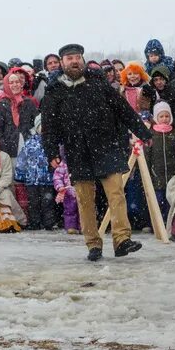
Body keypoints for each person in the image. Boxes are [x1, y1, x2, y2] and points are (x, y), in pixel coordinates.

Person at [40, 44, 150, 262]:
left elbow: (122, 108)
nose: (74, 61)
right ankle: (93, 244)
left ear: (83, 59)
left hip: (106, 145)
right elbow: (49, 125)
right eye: (69, 58)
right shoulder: (55, 90)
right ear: (62, 62)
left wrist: (142, 131)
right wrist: (51, 150)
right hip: (77, 150)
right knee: (84, 200)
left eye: (77, 57)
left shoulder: (98, 82)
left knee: (116, 193)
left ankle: (121, 240)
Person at [14, 115, 57, 230]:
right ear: (37, 127)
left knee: (47, 202)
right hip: (31, 179)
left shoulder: (52, 143)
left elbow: (57, 159)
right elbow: (22, 159)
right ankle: (35, 222)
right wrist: (20, 174)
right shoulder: (30, 143)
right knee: (33, 202)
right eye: (42, 126)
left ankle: (49, 222)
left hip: (47, 179)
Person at [145, 102, 175, 222]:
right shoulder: (151, 134)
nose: (164, 119)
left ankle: (169, 221)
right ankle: (155, 222)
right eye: (161, 116)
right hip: (157, 174)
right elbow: (147, 155)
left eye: (167, 116)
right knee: (157, 199)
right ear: (156, 118)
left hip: (172, 172)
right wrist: (149, 170)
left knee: (170, 200)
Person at [51, 157, 78, 234]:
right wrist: (60, 186)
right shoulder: (63, 165)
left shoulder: (82, 162)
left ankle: (83, 226)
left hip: (81, 190)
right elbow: (57, 177)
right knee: (69, 210)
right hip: (68, 192)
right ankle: (71, 227)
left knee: (83, 210)